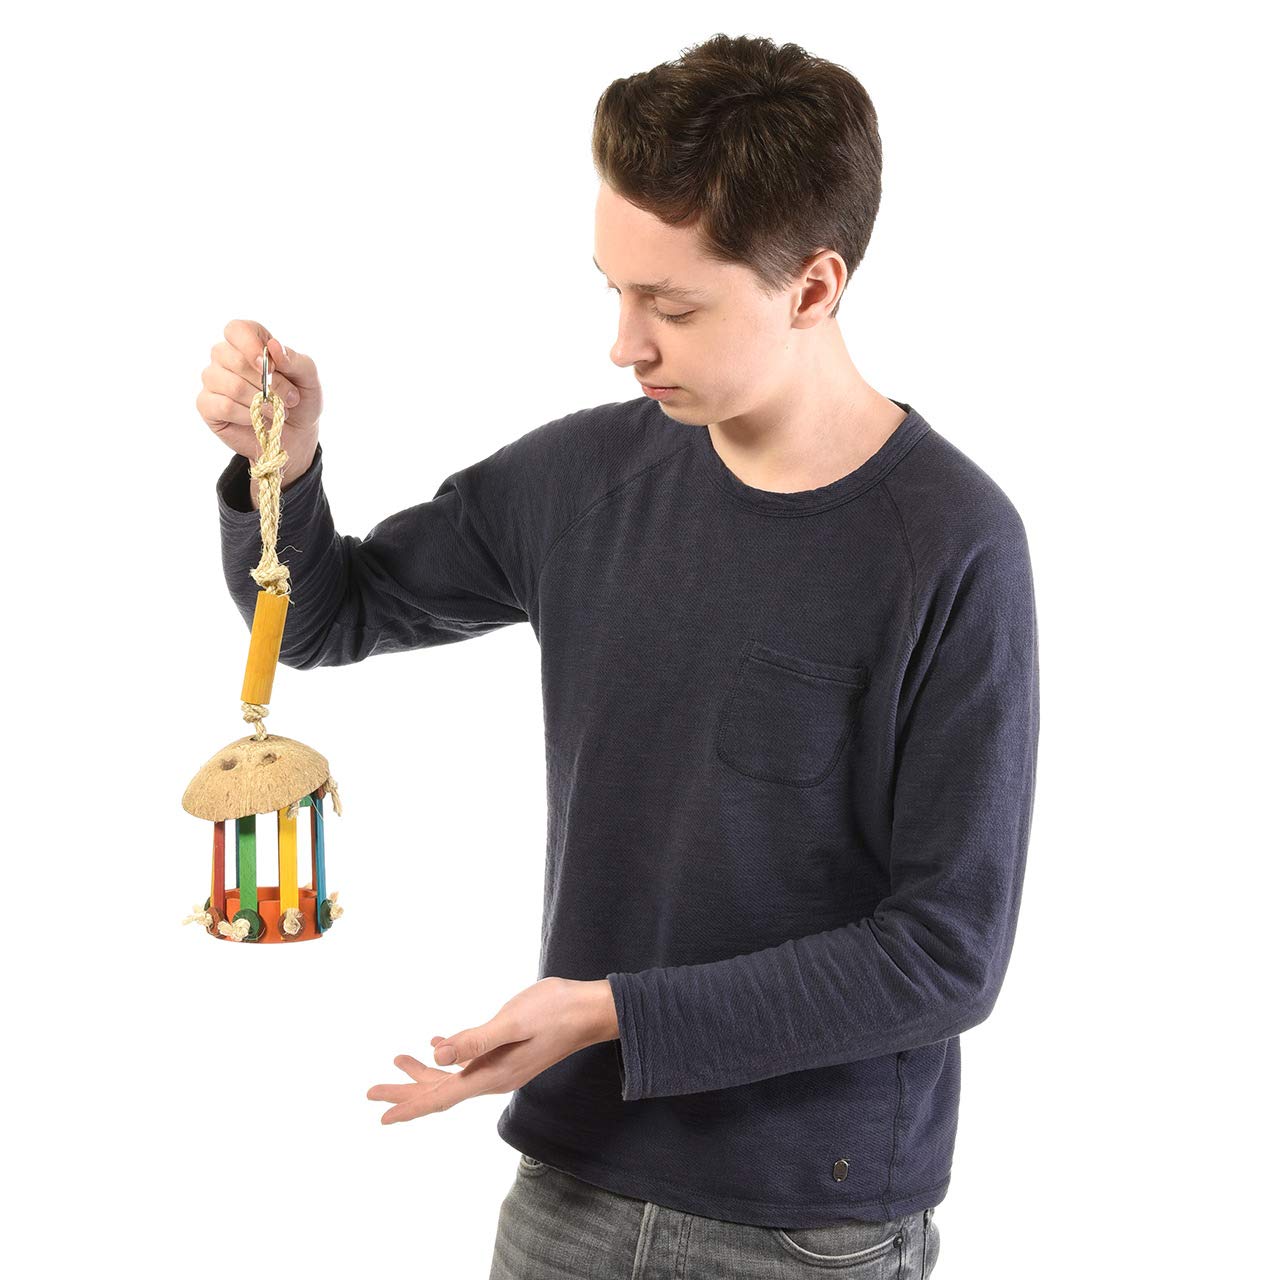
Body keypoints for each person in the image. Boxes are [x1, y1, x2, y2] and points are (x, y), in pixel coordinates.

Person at [196, 32, 1038, 1279]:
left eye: (672, 305)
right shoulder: (587, 476)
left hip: (805, 1229)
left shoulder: (953, 544)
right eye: (614, 291)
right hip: (568, 1190)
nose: (624, 344)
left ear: (812, 287)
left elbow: (943, 954)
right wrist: (287, 462)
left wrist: (611, 1013)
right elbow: (326, 614)